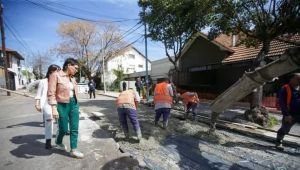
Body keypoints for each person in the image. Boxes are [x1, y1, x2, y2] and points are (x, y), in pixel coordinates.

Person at [48, 58, 84, 158]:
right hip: (62, 104)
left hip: (74, 103)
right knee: (63, 128)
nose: (77, 70)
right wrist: (54, 108)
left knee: (74, 127)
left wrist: (77, 106)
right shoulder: (55, 75)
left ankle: (74, 149)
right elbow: (51, 93)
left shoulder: (72, 78)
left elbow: (73, 92)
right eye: (75, 68)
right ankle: (58, 141)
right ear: (69, 65)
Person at [35, 64, 61, 149]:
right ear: (51, 71)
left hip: (58, 103)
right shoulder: (43, 81)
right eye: (57, 71)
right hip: (47, 103)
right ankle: (48, 141)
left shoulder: (59, 81)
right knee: (49, 122)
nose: (59, 73)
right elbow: (38, 94)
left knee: (61, 121)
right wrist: (37, 104)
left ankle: (59, 139)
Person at [275, 73, 300, 151]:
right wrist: (286, 114)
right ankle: (279, 142)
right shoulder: (285, 88)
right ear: (291, 79)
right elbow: (282, 102)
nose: (299, 81)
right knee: (285, 129)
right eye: (298, 79)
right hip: (290, 114)